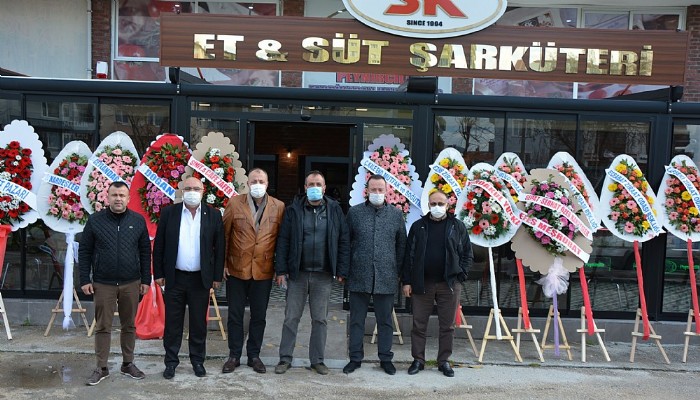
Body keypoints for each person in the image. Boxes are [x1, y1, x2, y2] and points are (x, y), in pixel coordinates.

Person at [274, 170, 350, 375]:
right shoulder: (293, 210)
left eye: (319, 184)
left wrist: (341, 269)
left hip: (323, 275)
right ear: (305, 188)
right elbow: (283, 241)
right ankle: (284, 358)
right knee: (291, 317)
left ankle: (317, 360)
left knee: (320, 319)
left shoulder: (335, 210)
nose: (315, 188)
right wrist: (281, 269)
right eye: (311, 184)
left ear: (324, 188)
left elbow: (343, 240)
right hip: (297, 274)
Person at [79, 181, 151, 386]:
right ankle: (101, 367)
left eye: (122, 195)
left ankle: (128, 364)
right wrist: (85, 279)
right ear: (107, 197)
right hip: (103, 283)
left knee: (129, 325)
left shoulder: (137, 221)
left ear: (128, 198)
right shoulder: (95, 221)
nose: (118, 199)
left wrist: (146, 279)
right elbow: (84, 251)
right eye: (114, 195)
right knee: (103, 326)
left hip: (131, 282)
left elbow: (145, 251)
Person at [153, 176, 225, 379]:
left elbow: (219, 249)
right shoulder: (170, 213)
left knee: (198, 324)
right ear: (182, 191)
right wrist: (158, 273)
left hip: (200, 280)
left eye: (196, 188)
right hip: (174, 278)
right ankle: (171, 362)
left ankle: (197, 361)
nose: (192, 191)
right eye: (188, 188)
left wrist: (216, 276)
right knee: (173, 323)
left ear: (203, 191)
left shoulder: (213, 215)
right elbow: (159, 245)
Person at [402, 190, 472, 377]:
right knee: (418, 324)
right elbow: (408, 256)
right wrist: (407, 281)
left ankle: (444, 361)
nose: (437, 207)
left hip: (448, 284)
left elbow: (467, 253)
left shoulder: (457, 227)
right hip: (422, 284)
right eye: (433, 203)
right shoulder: (418, 226)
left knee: (447, 326)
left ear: (448, 205)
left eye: (441, 203)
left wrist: (461, 275)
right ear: (428, 205)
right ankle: (418, 360)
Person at [340, 174, 406, 375]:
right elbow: (345, 243)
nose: (377, 193)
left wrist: (400, 273)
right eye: (373, 189)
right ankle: (355, 358)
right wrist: (344, 271)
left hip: (386, 276)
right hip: (359, 274)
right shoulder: (354, 213)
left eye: (380, 189)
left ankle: (385, 358)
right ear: (366, 191)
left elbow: (401, 245)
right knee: (357, 320)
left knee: (385, 320)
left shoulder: (396, 215)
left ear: (386, 191)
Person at [221, 168, 285, 374]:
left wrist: (279, 268)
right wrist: (222, 264)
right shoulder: (234, 203)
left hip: (263, 270)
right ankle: (234, 355)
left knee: (259, 315)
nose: (258, 184)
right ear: (247, 183)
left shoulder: (279, 206)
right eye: (254, 180)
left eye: (261, 181)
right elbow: (225, 235)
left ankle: (254, 356)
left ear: (267, 184)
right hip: (236, 269)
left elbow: (281, 241)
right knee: (235, 315)